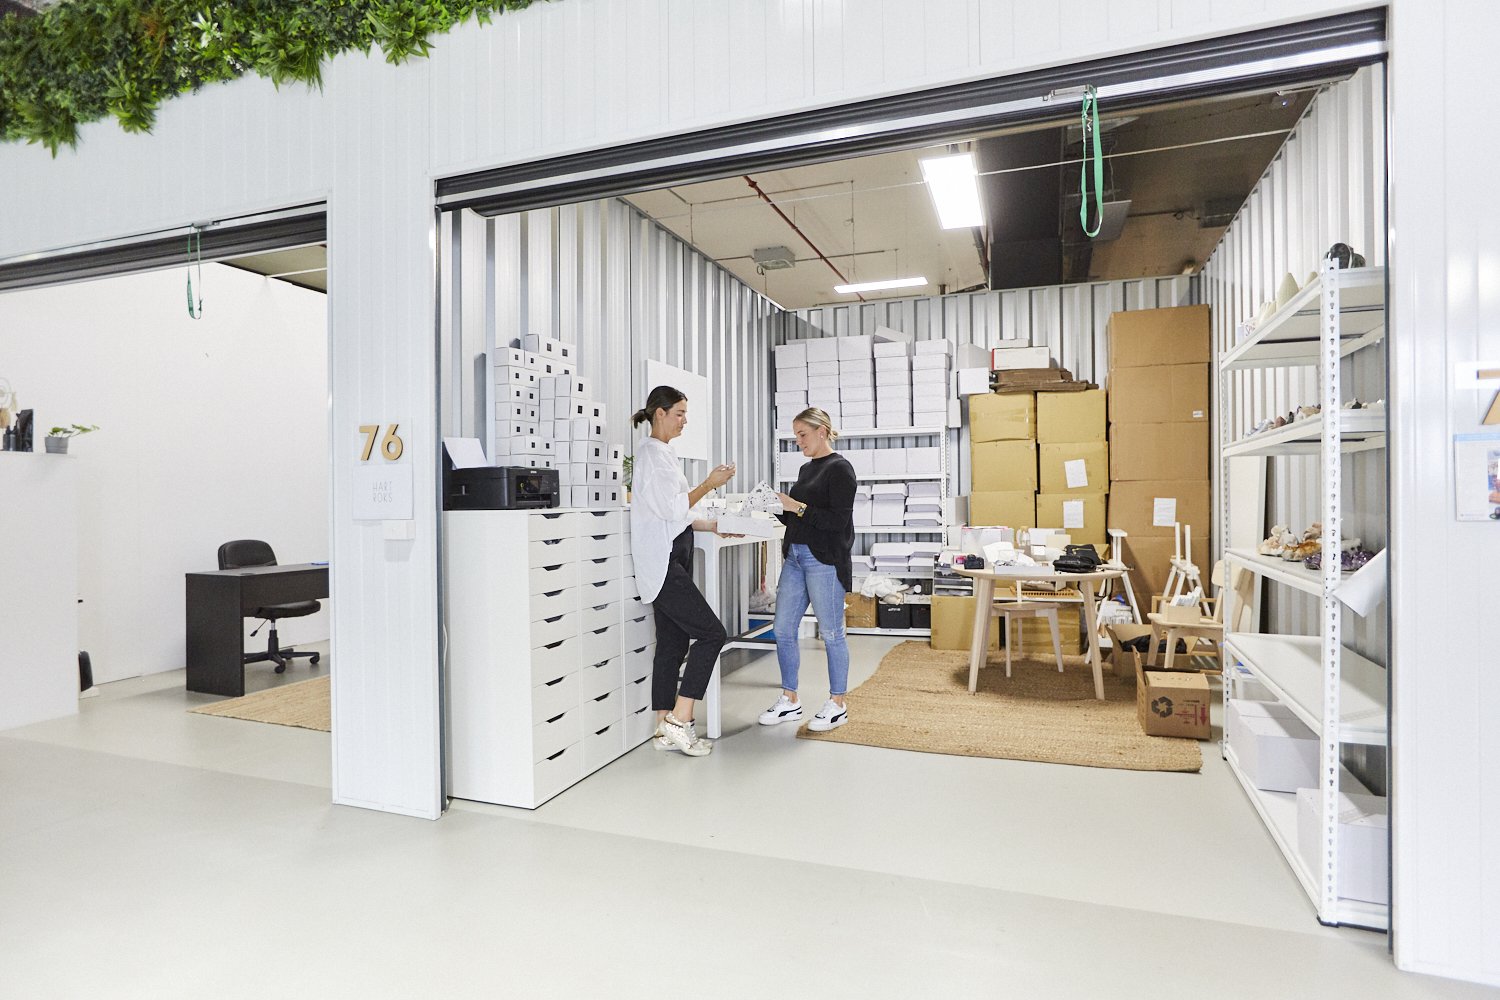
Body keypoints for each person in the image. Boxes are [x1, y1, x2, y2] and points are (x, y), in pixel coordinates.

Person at [630, 385, 738, 757]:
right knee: (712, 634)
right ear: (659, 413)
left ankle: (664, 728)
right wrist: (709, 483)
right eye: (680, 413)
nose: (685, 420)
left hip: (669, 559)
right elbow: (672, 508)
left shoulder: (662, 454)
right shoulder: (652, 455)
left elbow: (679, 514)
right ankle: (681, 719)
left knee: (673, 645)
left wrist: (712, 525)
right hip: (663, 564)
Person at [759, 407, 857, 732]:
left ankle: (838, 703)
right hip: (796, 558)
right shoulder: (805, 469)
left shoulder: (841, 470)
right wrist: (774, 507)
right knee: (783, 629)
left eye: (802, 434)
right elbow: (799, 517)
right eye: (796, 435)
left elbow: (836, 521)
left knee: (831, 633)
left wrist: (796, 506)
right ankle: (790, 700)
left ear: (822, 432)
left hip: (824, 561)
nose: (798, 441)